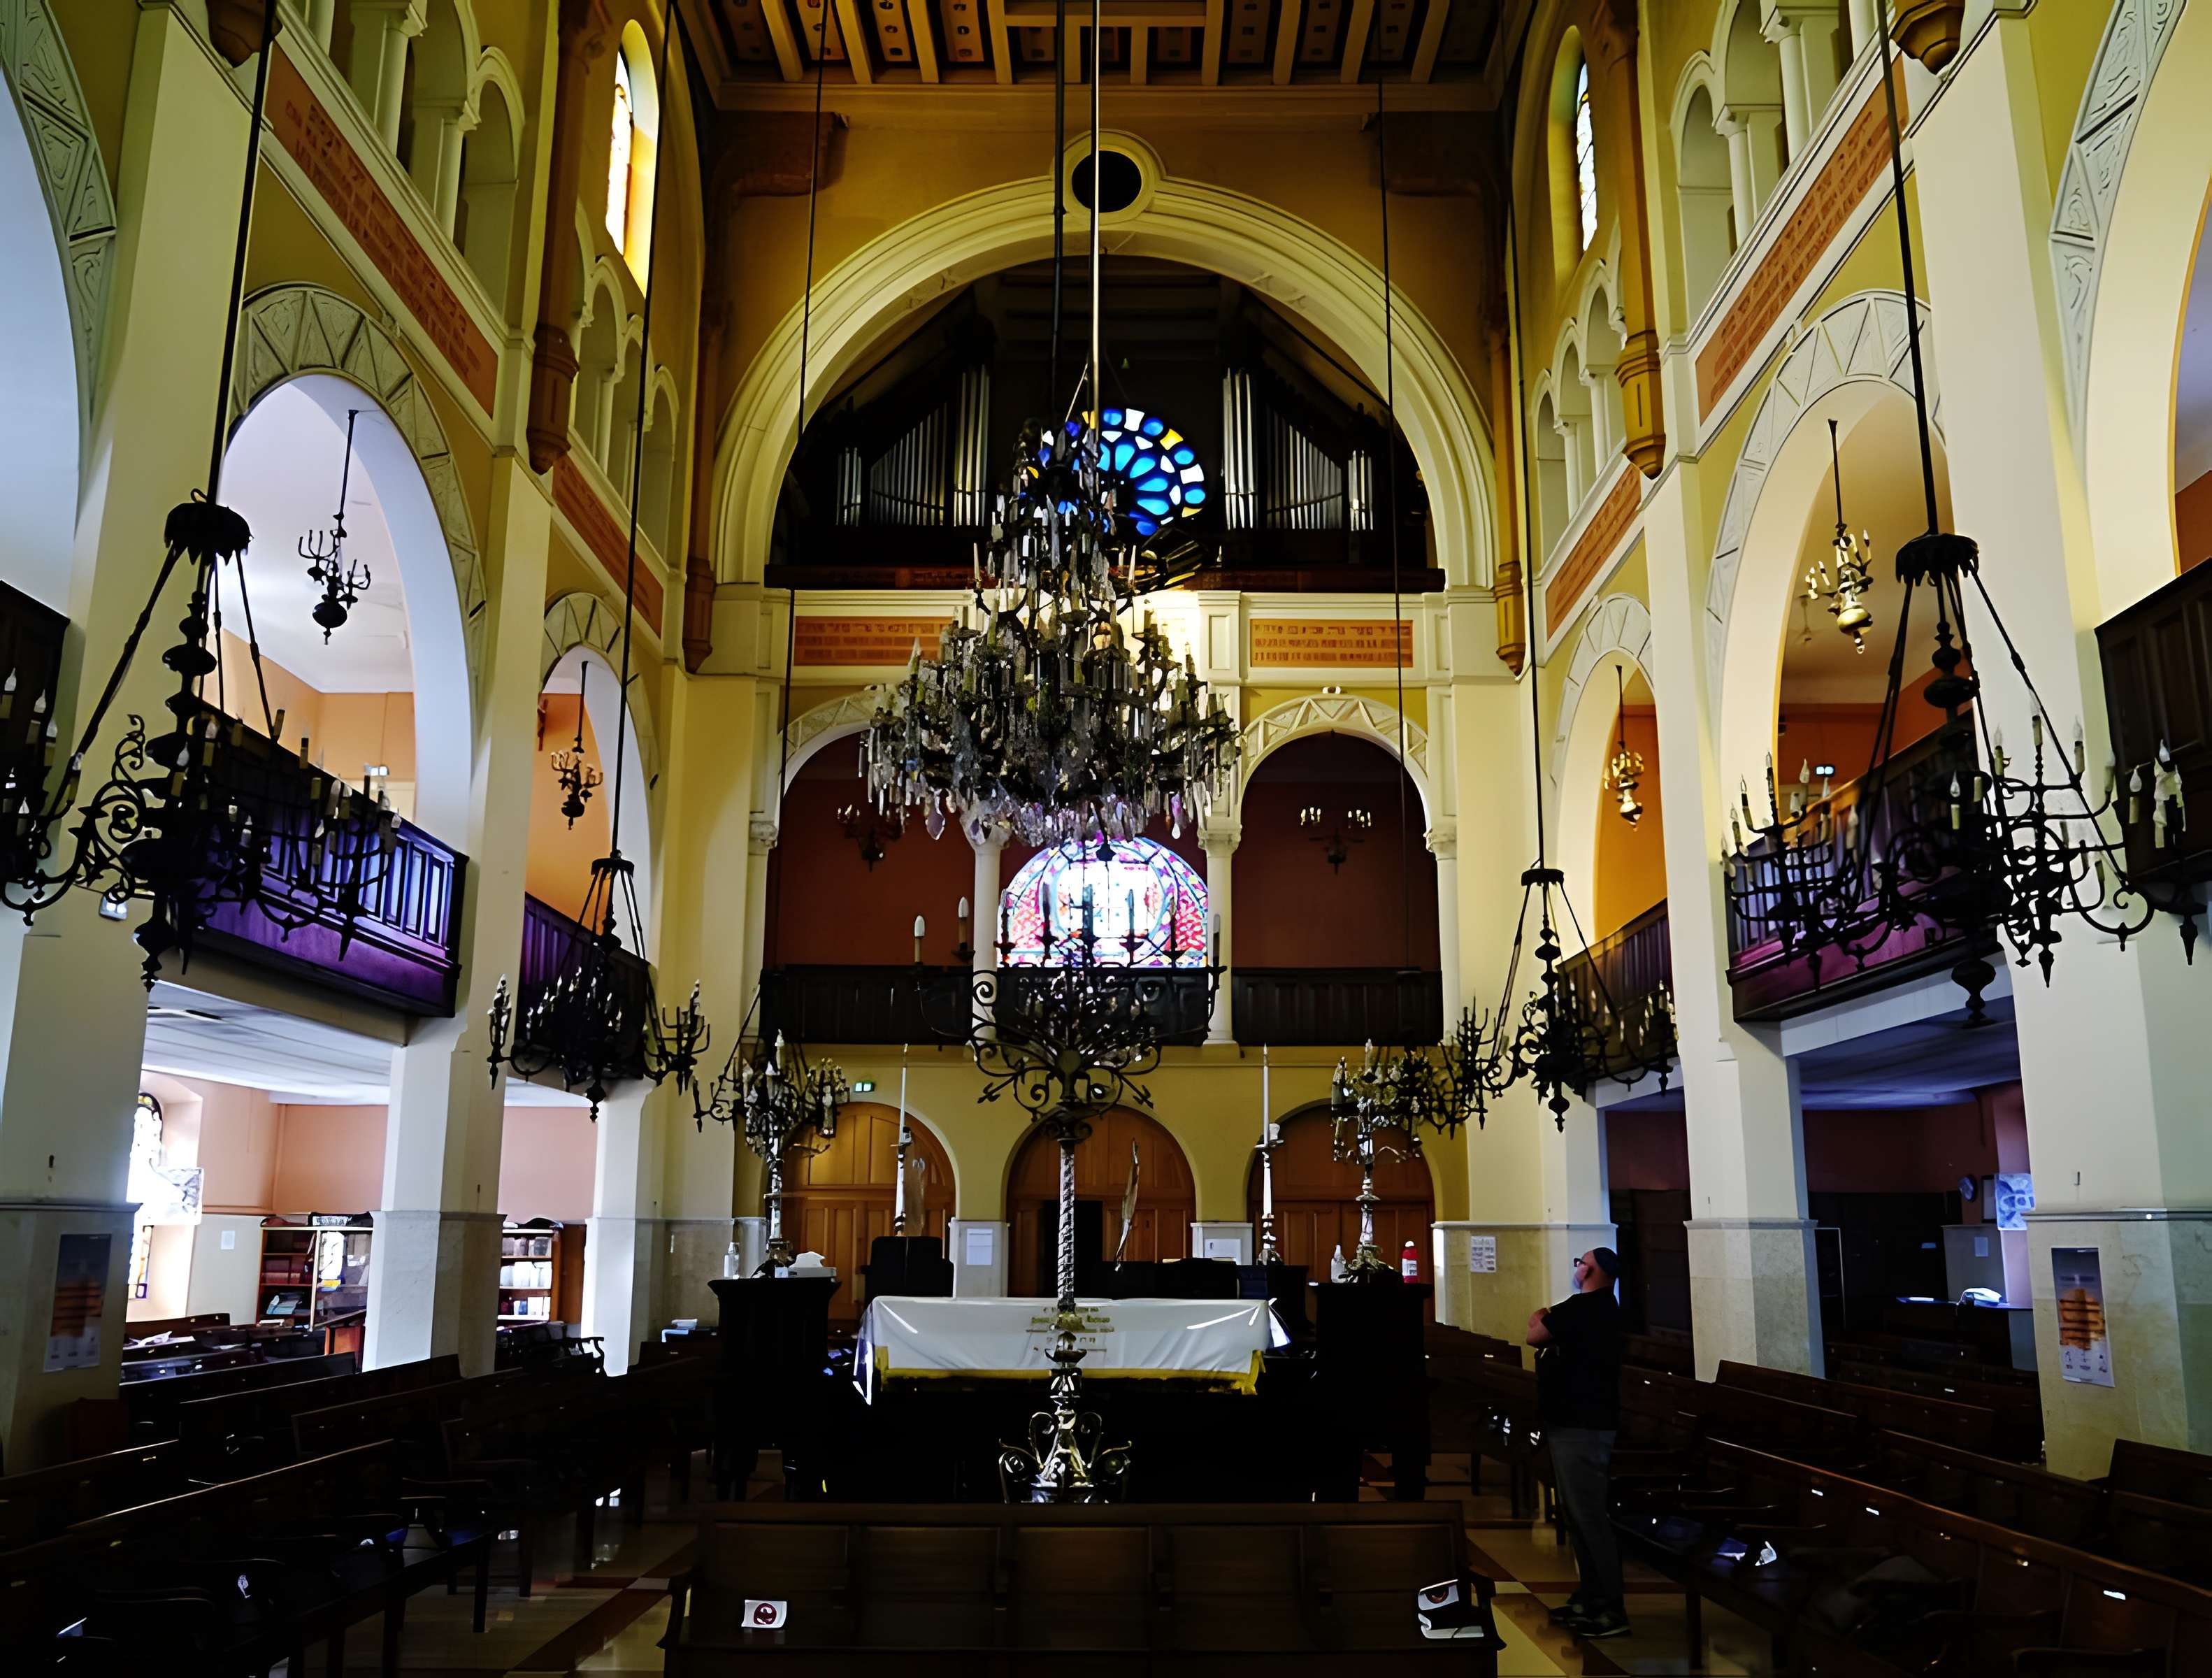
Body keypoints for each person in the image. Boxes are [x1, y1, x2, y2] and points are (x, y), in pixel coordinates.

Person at [1528, 1247, 1627, 1640]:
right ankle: (1590, 1596)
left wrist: (1542, 1315)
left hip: (1584, 1425)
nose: (1576, 1268)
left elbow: (1535, 1331)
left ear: (1593, 1271)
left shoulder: (1591, 1309)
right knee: (1577, 1515)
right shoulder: (1590, 1308)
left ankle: (1611, 1608)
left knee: (1589, 1516)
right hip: (1570, 1420)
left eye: (1580, 1263)